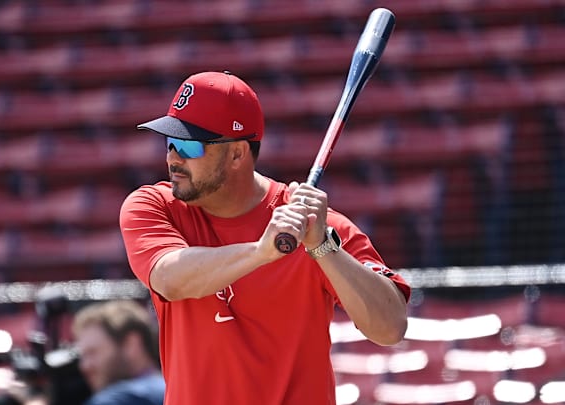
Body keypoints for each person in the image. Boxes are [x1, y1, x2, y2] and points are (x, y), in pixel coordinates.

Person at [118, 71, 411, 405]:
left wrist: (322, 247)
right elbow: (169, 278)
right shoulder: (153, 206)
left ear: (237, 154)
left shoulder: (317, 227)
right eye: (169, 143)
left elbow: (390, 328)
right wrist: (260, 252)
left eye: (188, 145)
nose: (173, 158)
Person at [71, 300, 165, 405]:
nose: (84, 366)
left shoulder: (129, 398)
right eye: (83, 356)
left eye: (93, 352)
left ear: (131, 344)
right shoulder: (173, 390)